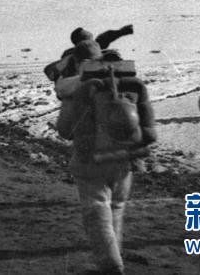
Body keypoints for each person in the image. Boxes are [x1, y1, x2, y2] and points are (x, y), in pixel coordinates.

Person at [56, 45, 156, 275]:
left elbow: (65, 130)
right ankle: (115, 255)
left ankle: (111, 264)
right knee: (116, 208)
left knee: (97, 210)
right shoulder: (135, 86)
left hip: (90, 160)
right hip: (125, 160)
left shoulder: (80, 87)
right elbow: (149, 132)